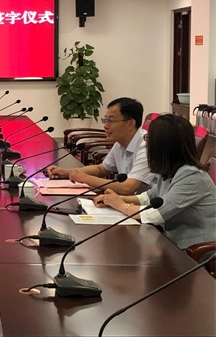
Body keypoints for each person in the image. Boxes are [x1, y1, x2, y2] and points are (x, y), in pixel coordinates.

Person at [93, 114, 216, 249]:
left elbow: (155, 215)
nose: (147, 144)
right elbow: (149, 197)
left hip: (196, 251)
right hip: (172, 243)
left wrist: (121, 205)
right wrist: (115, 199)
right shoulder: (172, 169)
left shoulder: (191, 176)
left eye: (149, 138)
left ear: (162, 145)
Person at [47, 97, 155, 195]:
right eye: (105, 120)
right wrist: (67, 172)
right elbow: (101, 169)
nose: (105, 126)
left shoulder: (146, 147)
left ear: (130, 123)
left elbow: (127, 188)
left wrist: (85, 178)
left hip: (149, 206)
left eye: (111, 120)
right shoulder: (120, 143)